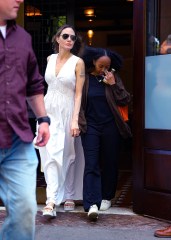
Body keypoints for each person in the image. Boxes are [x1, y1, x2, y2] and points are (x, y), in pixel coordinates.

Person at [0, 0, 50, 239]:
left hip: (17, 140)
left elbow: (33, 84)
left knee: (25, 211)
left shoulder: (23, 38)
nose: (20, 0)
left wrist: (43, 119)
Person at [36, 24, 85, 218]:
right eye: (65, 36)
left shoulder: (78, 62)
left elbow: (79, 93)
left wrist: (74, 120)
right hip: (48, 111)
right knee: (48, 155)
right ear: (57, 39)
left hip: (66, 111)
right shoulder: (50, 59)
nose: (69, 40)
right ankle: (51, 200)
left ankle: (66, 195)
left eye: (73, 38)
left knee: (66, 155)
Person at [78, 46, 132, 221]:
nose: (104, 70)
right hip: (91, 126)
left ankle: (107, 196)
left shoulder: (112, 78)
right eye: (101, 66)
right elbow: (77, 102)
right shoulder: (85, 79)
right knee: (91, 163)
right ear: (93, 62)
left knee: (110, 161)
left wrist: (113, 84)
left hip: (111, 126)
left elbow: (125, 99)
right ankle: (91, 203)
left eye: (107, 67)